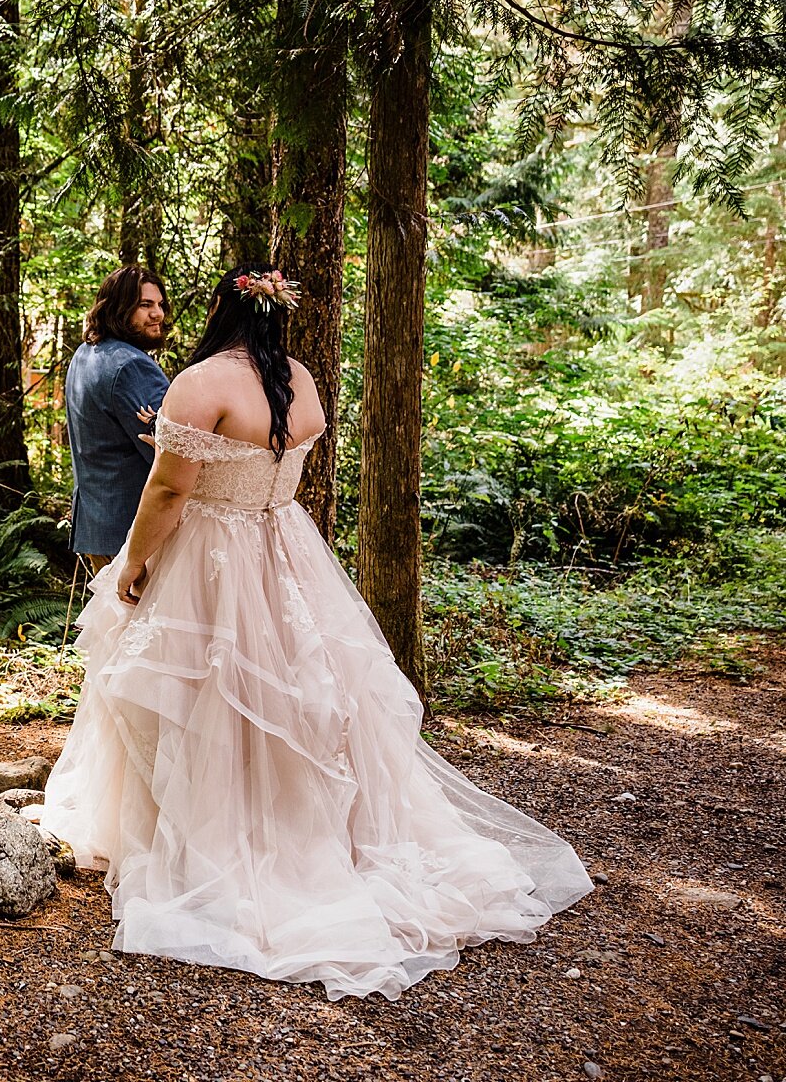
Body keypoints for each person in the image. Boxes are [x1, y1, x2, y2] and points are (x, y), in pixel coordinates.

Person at [43, 263, 592, 1001]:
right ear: (278, 318)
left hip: (213, 557)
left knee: (200, 692)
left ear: (219, 313)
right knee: (294, 694)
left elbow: (171, 488)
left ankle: (215, 843)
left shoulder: (201, 384)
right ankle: (300, 829)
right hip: (285, 549)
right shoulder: (301, 380)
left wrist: (135, 563)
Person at [64, 265, 171, 573]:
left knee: (111, 621)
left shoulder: (85, 354)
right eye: (145, 305)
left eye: (160, 304)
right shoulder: (132, 367)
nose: (158, 314)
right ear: (118, 308)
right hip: (133, 531)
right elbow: (169, 454)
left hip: (96, 525)